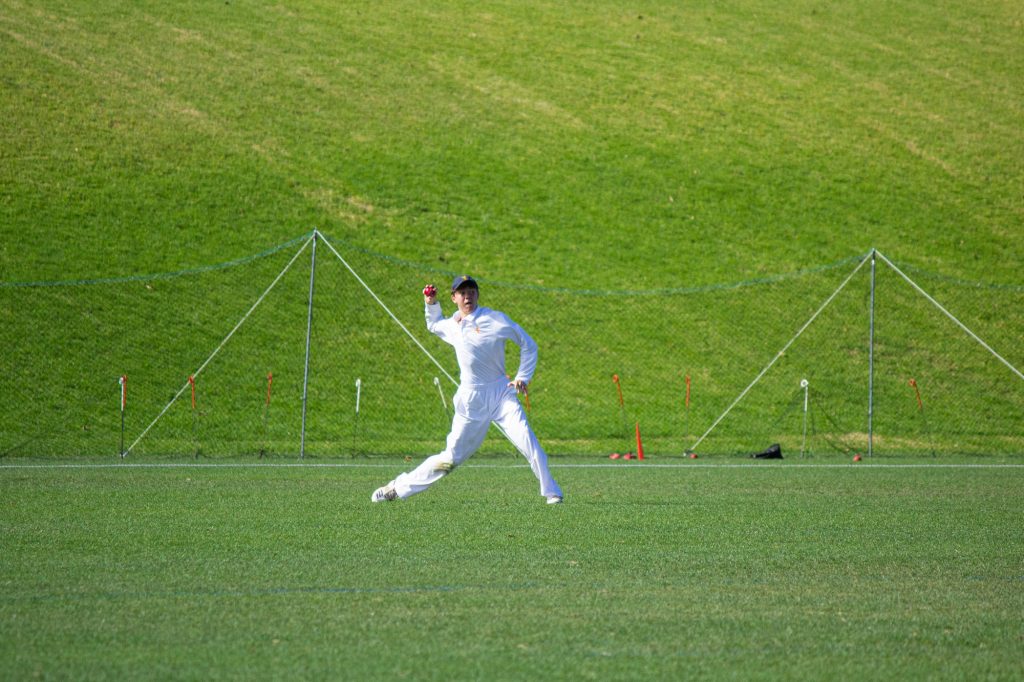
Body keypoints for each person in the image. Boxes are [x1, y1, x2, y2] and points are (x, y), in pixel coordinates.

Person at [371, 275, 564, 504]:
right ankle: (396, 488)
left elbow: (528, 344)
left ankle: (552, 493)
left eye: (472, 291)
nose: (468, 296)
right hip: (471, 401)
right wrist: (431, 304)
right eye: (462, 293)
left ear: (477, 295)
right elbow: (433, 324)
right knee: (450, 459)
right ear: (453, 298)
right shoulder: (452, 325)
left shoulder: (495, 319)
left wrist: (522, 376)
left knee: (528, 441)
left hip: (502, 394)